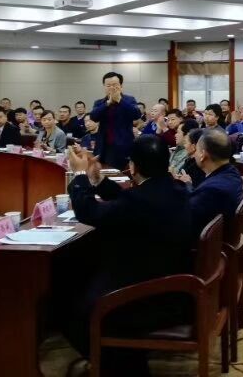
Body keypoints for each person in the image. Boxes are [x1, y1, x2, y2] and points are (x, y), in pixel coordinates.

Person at [65, 139, 192, 376]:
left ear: (133, 167)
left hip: (148, 296)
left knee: (69, 305)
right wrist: (98, 181)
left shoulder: (139, 202)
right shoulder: (176, 188)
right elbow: (129, 200)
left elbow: (90, 212)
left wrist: (80, 176)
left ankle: (116, 365)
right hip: (173, 280)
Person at [190, 128, 243, 235]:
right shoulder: (232, 172)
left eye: (196, 150)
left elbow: (186, 218)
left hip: (206, 242)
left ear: (202, 155)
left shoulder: (210, 191)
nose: (194, 153)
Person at [90, 72, 142, 169]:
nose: (111, 88)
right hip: (103, 147)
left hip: (123, 146)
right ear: (104, 87)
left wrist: (120, 100)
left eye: (115, 85)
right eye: (108, 85)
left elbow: (136, 115)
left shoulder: (129, 100)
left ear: (121, 86)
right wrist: (107, 103)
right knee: (103, 174)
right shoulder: (99, 102)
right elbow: (93, 117)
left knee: (122, 175)